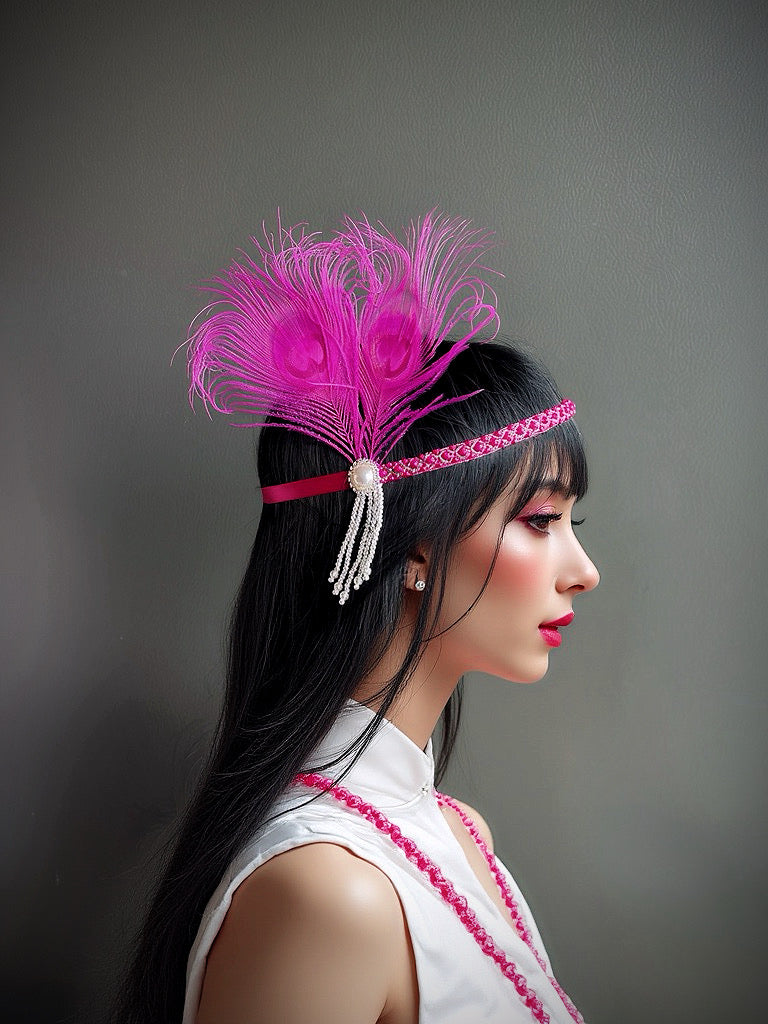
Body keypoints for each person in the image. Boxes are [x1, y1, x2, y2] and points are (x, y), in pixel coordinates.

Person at [117, 213, 599, 1024]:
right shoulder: (329, 892)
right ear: (411, 544)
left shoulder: (454, 833)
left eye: (571, 528)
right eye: (541, 521)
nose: (582, 573)